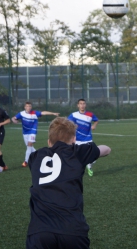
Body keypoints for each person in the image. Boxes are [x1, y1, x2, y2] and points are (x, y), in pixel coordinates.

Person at [26, 117, 111, 249]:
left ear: (49, 141)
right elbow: (106, 149)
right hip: (72, 229)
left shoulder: (35, 157)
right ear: (74, 140)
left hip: (40, 231)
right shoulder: (77, 152)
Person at [11, 101, 59, 167]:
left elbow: (44, 112)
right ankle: (41, 156)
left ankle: (26, 161)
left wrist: (53, 113)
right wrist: (14, 120)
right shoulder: (21, 113)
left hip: (32, 131)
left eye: (30, 106)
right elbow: (14, 118)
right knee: (30, 147)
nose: (28, 107)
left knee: (29, 145)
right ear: (25, 107)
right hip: (25, 132)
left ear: (31, 107)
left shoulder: (34, 113)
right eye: (27, 106)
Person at [68, 98, 98, 177]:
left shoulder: (90, 114)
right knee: (76, 157)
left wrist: (94, 125)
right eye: (80, 104)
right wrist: (73, 126)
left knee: (95, 155)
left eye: (84, 103)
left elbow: (96, 120)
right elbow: (68, 123)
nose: (82, 105)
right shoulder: (74, 115)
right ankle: (76, 171)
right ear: (78, 105)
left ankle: (89, 165)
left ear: (85, 105)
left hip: (88, 139)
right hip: (77, 140)